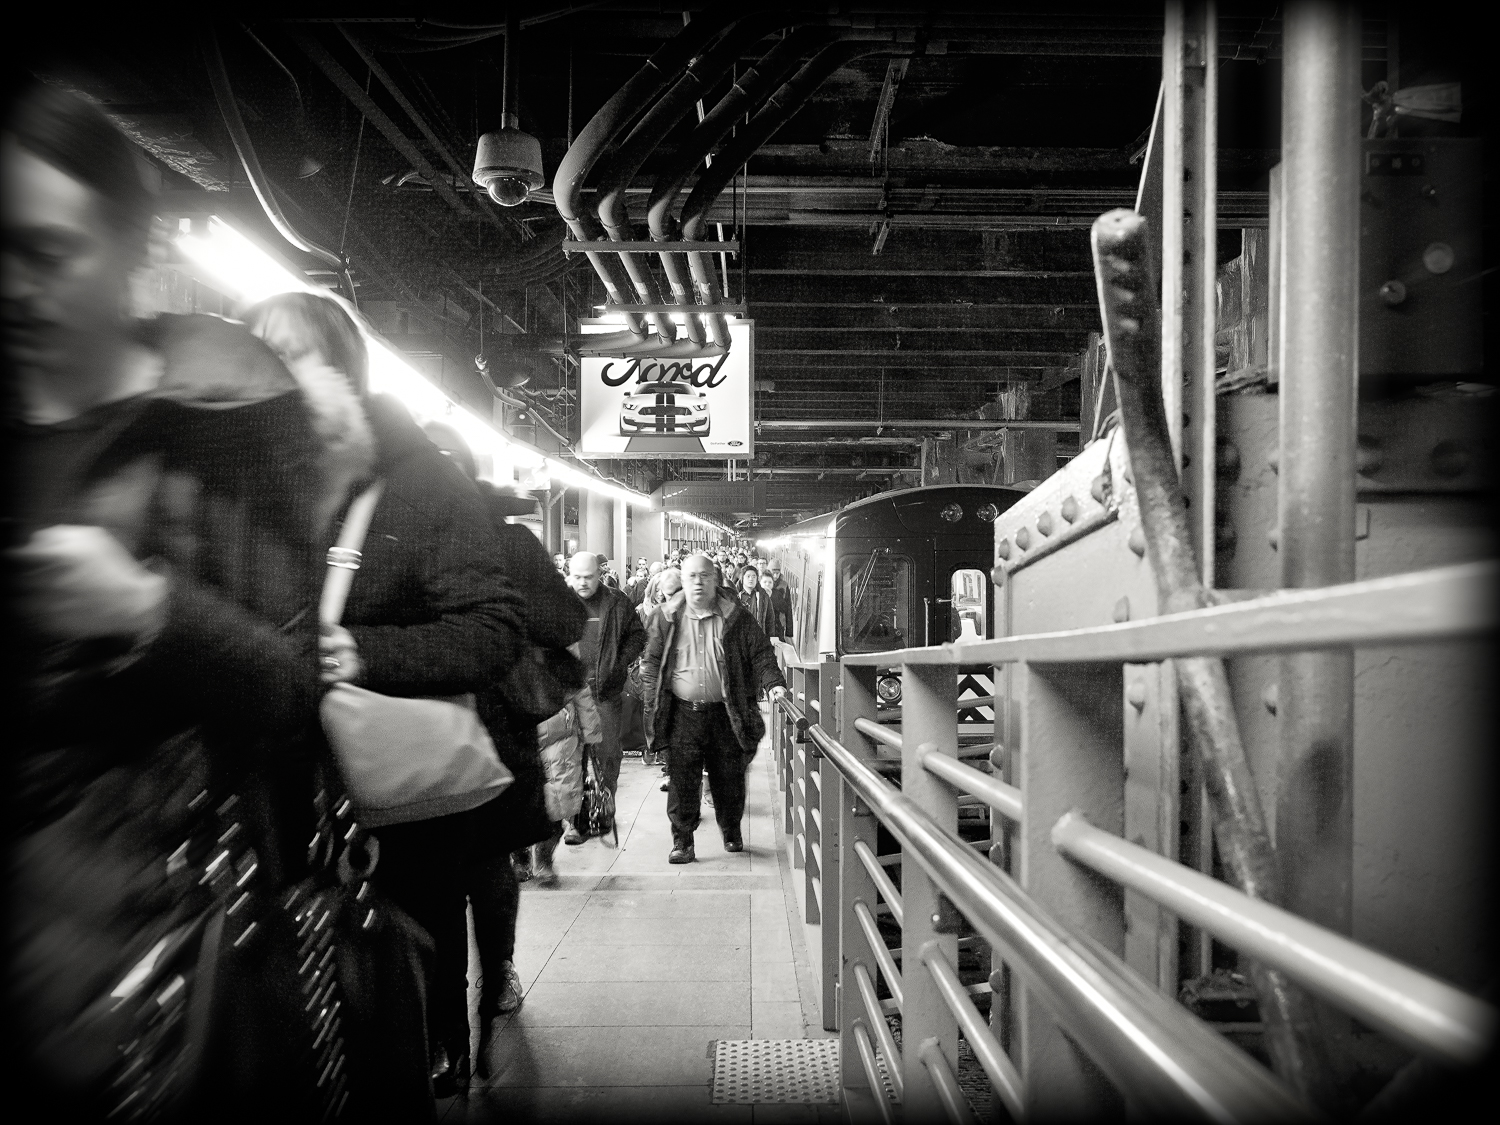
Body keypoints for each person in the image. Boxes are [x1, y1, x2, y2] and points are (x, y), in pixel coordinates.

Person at [5, 84, 362, 1119]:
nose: (12, 286)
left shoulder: (221, 429)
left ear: (127, 252)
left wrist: (146, 612)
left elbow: (293, 698)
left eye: (46, 250)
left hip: (143, 962)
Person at [246, 293, 525, 1099]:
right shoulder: (237, 473)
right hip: (273, 801)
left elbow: (493, 629)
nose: (279, 376)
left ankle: (431, 1054)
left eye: (298, 355)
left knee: (392, 987)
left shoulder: (418, 481)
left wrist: (362, 650)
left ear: (344, 372)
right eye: (262, 354)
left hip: (392, 811)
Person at [640, 553, 789, 864]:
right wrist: (652, 699)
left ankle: (731, 828)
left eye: (704, 576)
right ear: (682, 580)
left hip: (725, 713)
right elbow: (651, 662)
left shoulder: (737, 617)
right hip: (682, 713)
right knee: (683, 781)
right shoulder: (664, 617)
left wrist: (773, 682)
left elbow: (760, 652)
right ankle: (683, 841)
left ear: (716, 579)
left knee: (729, 778)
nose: (697, 582)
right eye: (691, 576)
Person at [564, 549, 646, 842]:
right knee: (569, 759)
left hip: (604, 693)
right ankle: (575, 821)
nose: (583, 583)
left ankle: (604, 810)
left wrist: (618, 662)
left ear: (599, 574)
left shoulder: (616, 602)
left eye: (588, 577)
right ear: (568, 575)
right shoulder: (557, 602)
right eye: (577, 577)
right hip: (567, 697)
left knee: (608, 754)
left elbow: (638, 635)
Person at [738, 565, 776, 638]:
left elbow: (770, 620)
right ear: (742, 578)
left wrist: (771, 638)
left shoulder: (763, 597)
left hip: (759, 639)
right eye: (748, 576)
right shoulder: (736, 597)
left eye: (754, 576)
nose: (751, 579)